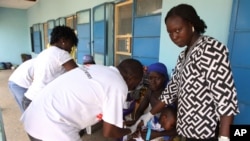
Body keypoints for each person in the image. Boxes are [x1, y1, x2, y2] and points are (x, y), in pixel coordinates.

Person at [129, 4, 239, 141]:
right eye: (170, 32)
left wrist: (224, 136)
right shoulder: (183, 55)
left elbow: (226, 98)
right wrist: (149, 115)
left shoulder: (210, 49)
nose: (173, 36)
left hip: (206, 132)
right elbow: (172, 89)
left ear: (191, 25)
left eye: (178, 30)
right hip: (187, 130)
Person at [20, 58, 144, 141]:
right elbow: (109, 132)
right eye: (135, 84)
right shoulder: (118, 85)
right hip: (52, 126)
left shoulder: (98, 69)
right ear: (131, 78)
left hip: (34, 116)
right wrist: (130, 130)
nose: (132, 88)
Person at [22, 25, 79, 110]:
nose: (71, 49)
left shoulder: (43, 53)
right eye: (71, 45)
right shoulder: (61, 53)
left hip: (29, 98)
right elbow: (78, 75)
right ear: (63, 40)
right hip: (41, 101)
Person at [125, 62, 171, 140]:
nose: (153, 82)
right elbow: (140, 111)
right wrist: (137, 126)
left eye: (157, 78)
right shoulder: (150, 92)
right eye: (150, 78)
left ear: (164, 78)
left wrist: (157, 134)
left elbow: (179, 127)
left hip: (166, 131)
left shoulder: (171, 95)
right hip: (153, 125)